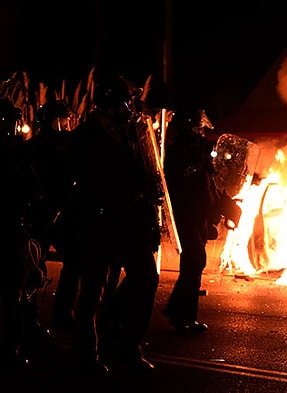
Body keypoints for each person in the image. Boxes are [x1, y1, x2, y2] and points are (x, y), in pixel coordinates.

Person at [61, 74, 161, 375]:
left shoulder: (134, 133)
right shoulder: (85, 137)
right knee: (93, 290)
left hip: (132, 221)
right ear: (112, 104)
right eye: (127, 101)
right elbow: (72, 182)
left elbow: (148, 171)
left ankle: (129, 346)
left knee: (145, 279)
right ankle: (87, 356)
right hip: (99, 221)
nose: (131, 107)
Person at [162, 108, 233, 333]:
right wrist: (200, 162)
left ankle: (182, 313)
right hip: (186, 214)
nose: (201, 133)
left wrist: (226, 206)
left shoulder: (197, 150)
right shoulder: (175, 151)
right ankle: (180, 312)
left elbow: (210, 185)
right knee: (194, 263)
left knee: (194, 265)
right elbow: (179, 178)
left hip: (200, 214)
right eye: (198, 128)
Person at [25, 99, 80, 330]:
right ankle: (32, 317)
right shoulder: (36, 148)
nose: (66, 124)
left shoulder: (66, 144)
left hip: (61, 213)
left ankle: (61, 313)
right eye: (63, 120)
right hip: (42, 213)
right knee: (36, 265)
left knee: (74, 260)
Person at [0, 97, 47, 370]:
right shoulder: (13, 153)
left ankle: (13, 345)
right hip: (9, 227)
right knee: (12, 293)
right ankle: (11, 347)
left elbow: (34, 188)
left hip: (14, 227)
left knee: (15, 292)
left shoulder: (17, 151)